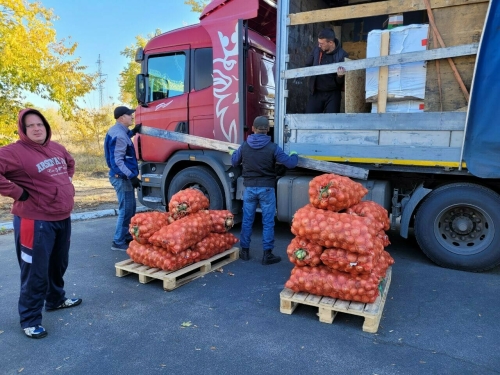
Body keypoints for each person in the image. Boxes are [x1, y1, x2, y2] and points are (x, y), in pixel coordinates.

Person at [0, 109, 82, 339]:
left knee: (58, 264)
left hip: (61, 217)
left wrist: (65, 184)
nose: (37, 128)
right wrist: (17, 192)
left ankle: (55, 300)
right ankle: (29, 318)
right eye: (30, 126)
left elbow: (70, 162)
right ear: (22, 130)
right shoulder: (14, 152)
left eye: (40, 124)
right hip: (34, 222)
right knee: (35, 271)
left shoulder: (56, 148)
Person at [230, 116, 299, 265]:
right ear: (267, 130)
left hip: (249, 189)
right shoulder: (273, 147)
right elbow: (290, 164)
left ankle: (245, 251)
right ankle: (267, 255)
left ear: (253, 129)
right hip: (267, 189)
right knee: (268, 222)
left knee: (247, 220)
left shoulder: (244, 146)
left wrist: (233, 153)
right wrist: (294, 155)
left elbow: (234, 161)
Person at [104, 106, 142, 251]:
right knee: (126, 209)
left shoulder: (119, 131)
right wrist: (132, 176)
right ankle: (118, 241)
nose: (132, 117)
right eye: (129, 115)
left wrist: (134, 132)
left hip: (123, 176)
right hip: (122, 177)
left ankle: (126, 236)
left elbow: (124, 141)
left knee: (130, 207)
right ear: (121, 118)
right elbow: (117, 161)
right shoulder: (119, 135)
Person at [305, 28, 349, 114]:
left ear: (330, 43)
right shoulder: (317, 50)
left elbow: (341, 82)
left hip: (333, 94)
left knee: (331, 122)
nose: (319, 45)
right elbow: (307, 64)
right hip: (316, 92)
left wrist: (340, 76)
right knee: (309, 120)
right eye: (318, 43)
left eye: (322, 44)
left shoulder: (342, 55)